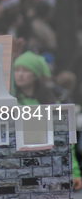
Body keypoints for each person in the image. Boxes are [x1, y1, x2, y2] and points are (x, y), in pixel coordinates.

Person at [13, 51, 82, 190]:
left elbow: (65, 139)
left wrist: (74, 171)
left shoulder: (51, 103)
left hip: (46, 168)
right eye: (17, 69)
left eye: (26, 70)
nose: (20, 74)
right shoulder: (10, 103)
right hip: (17, 168)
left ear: (36, 74)